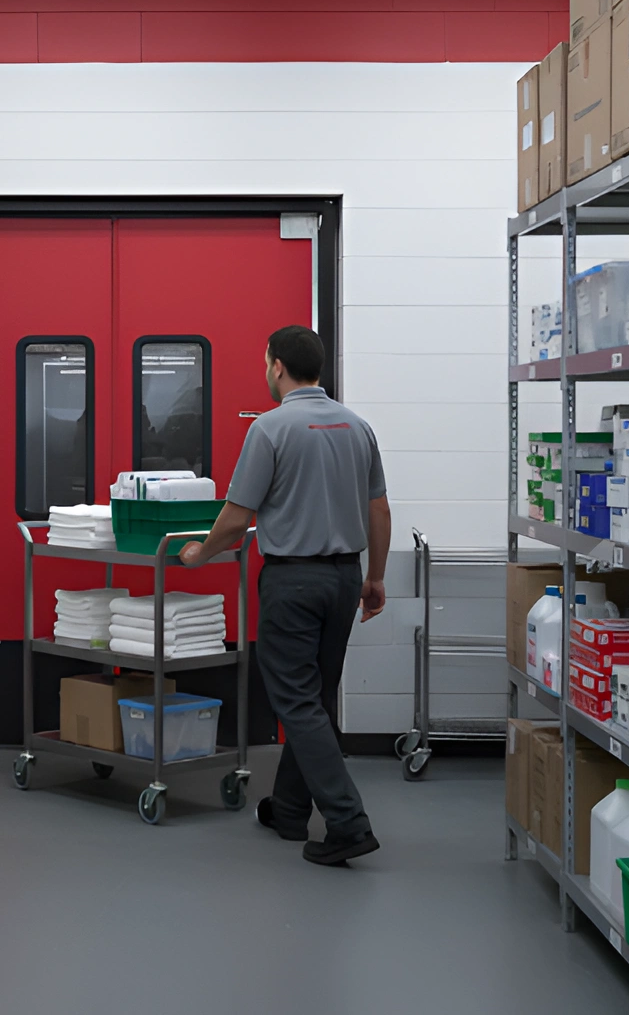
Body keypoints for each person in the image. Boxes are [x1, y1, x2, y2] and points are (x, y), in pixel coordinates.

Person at [179, 325, 390, 867]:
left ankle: (348, 821)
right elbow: (379, 511)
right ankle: (291, 810)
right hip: (345, 578)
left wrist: (201, 552)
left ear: (276, 365)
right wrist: (376, 578)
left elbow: (237, 514)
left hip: (293, 582)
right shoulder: (357, 426)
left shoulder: (270, 428)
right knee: (314, 701)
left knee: (296, 702)